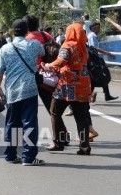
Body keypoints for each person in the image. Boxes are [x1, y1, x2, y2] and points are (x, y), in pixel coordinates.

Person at [0, 19, 45, 166]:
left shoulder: (5, 49)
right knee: (29, 124)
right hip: (29, 90)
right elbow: (43, 51)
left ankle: (10, 155)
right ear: (27, 30)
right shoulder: (33, 44)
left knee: (12, 123)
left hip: (12, 92)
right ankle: (28, 157)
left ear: (12, 31)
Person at [42, 22, 92, 155]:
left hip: (67, 85)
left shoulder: (68, 45)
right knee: (81, 118)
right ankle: (84, 147)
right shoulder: (83, 47)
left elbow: (60, 62)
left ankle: (58, 142)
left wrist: (47, 65)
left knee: (55, 112)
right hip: (83, 85)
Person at [87, 22, 118, 102]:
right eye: (98, 28)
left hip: (94, 58)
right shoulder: (92, 36)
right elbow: (94, 48)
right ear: (94, 28)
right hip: (93, 59)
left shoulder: (92, 35)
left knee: (102, 74)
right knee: (97, 75)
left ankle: (106, 95)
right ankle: (89, 96)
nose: (99, 29)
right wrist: (108, 53)